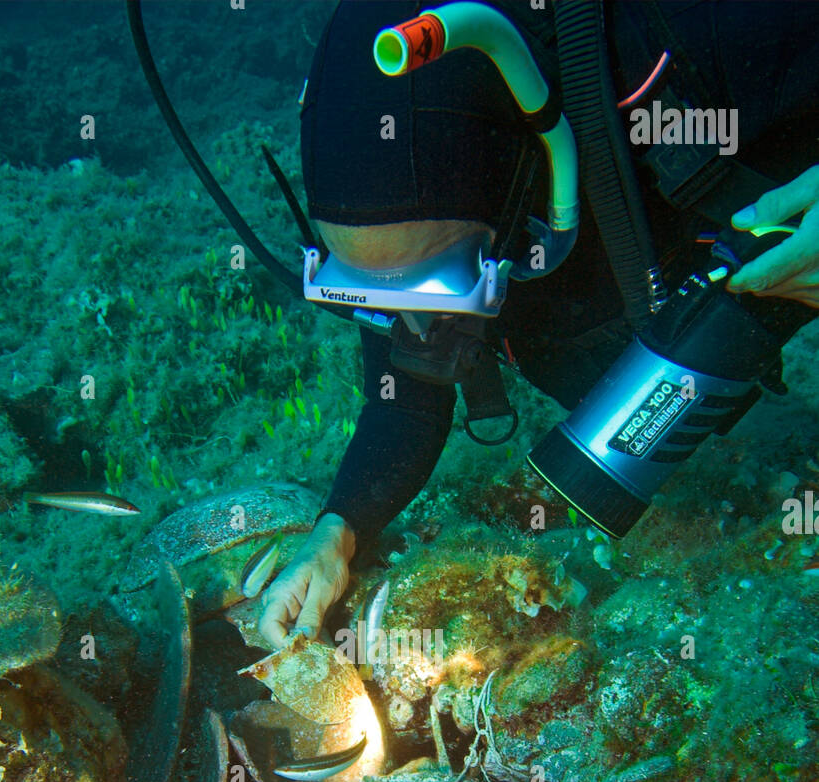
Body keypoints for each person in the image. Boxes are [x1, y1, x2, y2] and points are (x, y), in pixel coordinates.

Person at [258, 0, 819, 648]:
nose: (409, 322)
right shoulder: (402, 243)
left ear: (523, 176)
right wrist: (338, 531)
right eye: (360, 291)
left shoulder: (690, 42)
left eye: (437, 285)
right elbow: (407, 405)